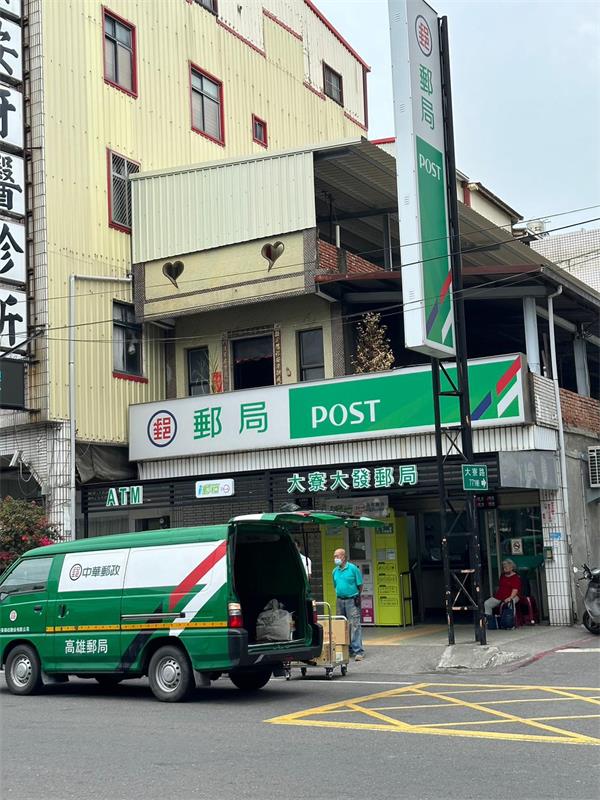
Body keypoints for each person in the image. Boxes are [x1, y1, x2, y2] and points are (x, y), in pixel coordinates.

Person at [332, 548, 364, 661]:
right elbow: (335, 585)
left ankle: (358, 651)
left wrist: (357, 596)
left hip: (352, 599)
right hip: (340, 600)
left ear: (343, 557)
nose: (335, 558)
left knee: (354, 624)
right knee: (341, 625)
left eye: (337, 556)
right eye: (334, 556)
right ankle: (346, 649)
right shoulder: (335, 571)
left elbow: (360, 585)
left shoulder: (353, 569)